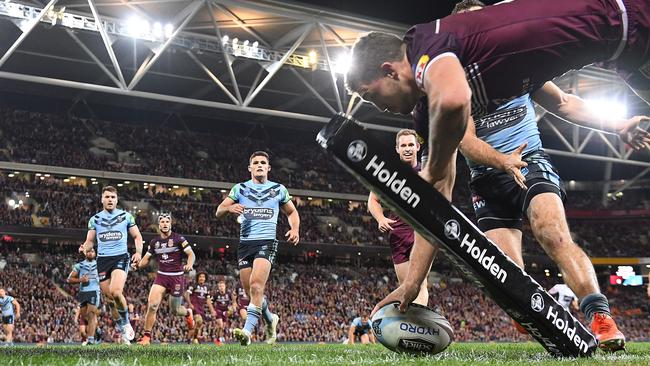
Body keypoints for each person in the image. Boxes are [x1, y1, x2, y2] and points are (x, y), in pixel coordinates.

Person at [347, 0, 650, 352]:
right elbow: (439, 194)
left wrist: (618, 124)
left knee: (551, 232)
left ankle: (599, 315)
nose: (379, 107)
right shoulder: (436, 98)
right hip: (620, 55)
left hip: (622, 27)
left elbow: (461, 102)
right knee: (508, 276)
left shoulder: (436, 51)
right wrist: (413, 283)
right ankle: (560, 327)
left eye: (371, 96)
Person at [216, 151, 300, 346]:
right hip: (245, 244)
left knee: (256, 286)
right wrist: (229, 208)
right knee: (251, 292)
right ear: (250, 168)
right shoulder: (240, 189)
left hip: (267, 241)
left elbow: (292, 212)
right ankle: (270, 319)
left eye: (263, 162)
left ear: (269, 168)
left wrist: (294, 228)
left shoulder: (278, 189)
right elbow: (218, 210)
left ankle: (247, 332)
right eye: (256, 162)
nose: (260, 165)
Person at [367, 129, 429, 306]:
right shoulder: (388, 172)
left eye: (410, 144)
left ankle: (418, 328)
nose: (407, 148)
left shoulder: (427, 171)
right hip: (398, 233)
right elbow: (372, 200)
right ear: (397, 149)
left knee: (419, 284)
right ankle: (411, 325)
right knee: (406, 288)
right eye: (403, 145)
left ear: (418, 146)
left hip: (422, 233)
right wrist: (380, 218)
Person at [81, 185, 143, 344]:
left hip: (120, 257)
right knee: (109, 300)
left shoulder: (126, 216)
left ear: (117, 200)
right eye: (107, 197)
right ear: (102, 199)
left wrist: (138, 252)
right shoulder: (94, 220)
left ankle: (127, 322)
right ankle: (122, 328)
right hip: (102, 260)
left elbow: (137, 236)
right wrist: (85, 247)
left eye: (113, 197)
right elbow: (89, 241)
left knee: (116, 292)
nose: (110, 200)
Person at [136, 213, 196, 345]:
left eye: (166, 222)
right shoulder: (154, 242)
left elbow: (191, 254)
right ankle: (146, 337)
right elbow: (145, 259)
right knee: (152, 305)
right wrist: (138, 265)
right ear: (159, 225)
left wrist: (190, 264)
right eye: (162, 221)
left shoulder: (179, 239)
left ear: (170, 224)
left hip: (177, 278)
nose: (164, 224)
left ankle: (187, 313)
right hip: (161, 277)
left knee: (175, 310)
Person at [67, 247, 101, 346]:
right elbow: (69, 279)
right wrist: (80, 280)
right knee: (84, 316)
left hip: (94, 291)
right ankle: (97, 330)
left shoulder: (99, 264)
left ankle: (90, 340)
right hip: (83, 292)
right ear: (85, 253)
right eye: (89, 251)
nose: (91, 253)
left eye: (93, 251)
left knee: (91, 314)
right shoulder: (79, 266)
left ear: (95, 253)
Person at [185, 272, 215, 344]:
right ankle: (194, 338)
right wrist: (190, 304)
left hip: (201, 308)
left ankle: (192, 339)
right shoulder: (193, 285)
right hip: (194, 307)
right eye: (200, 277)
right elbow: (187, 294)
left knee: (198, 325)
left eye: (203, 277)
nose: (202, 278)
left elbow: (208, 300)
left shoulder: (207, 288)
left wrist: (212, 310)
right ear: (198, 278)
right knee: (199, 320)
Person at [212, 279, 234, 345]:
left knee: (223, 327)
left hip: (225, 312)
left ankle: (217, 338)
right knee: (221, 325)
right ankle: (219, 339)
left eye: (222, 286)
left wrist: (232, 307)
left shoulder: (229, 294)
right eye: (220, 286)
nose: (221, 287)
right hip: (218, 311)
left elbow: (233, 301)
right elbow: (211, 302)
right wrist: (213, 310)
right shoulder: (216, 295)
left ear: (225, 286)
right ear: (218, 287)